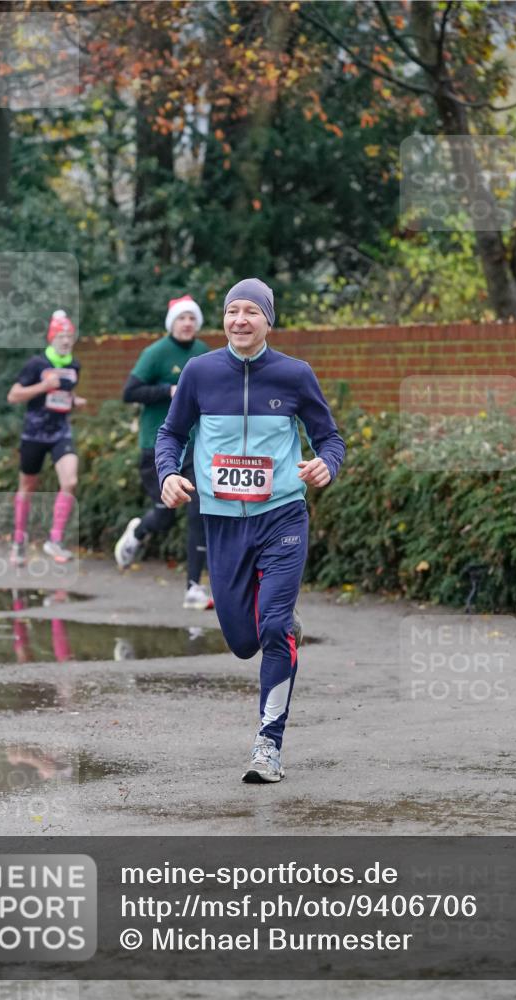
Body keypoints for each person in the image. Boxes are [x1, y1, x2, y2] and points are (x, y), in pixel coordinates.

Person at [155, 278, 345, 782]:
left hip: (282, 515)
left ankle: (269, 744)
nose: (240, 319)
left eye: (251, 312)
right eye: (233, 311)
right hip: (221, 523)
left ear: (268, 320)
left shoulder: (294, 375)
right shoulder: (199, 372)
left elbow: (329, 437)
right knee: (243, 641)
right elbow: (170, 433)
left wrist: (326, 464)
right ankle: (276, 623)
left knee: (275, 629)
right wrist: (169, 473)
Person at [114, 295, 213, 610]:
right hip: (157, 447)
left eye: (191, 318)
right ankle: (140, 531)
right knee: (165, 516)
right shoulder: (155, 353)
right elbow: (129, 392)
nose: (187, 324)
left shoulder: (203, 353)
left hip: (195, 447)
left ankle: (194, 587)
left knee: (199, 510)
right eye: (181, 318)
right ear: (172, 323)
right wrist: (169, 391)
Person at [7, 310, 86, 565]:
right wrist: (43, 386)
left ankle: (55, 540)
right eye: (61, 336)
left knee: (70, 480)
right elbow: (14, 396)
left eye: (69, 336)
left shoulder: (74, 365)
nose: (65, 341)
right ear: (51, 338)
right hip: (34, 434)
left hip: (60, 432)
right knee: (27, 487)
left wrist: (75, 400)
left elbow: (63, 397)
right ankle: (19, 541)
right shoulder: (36, 364)